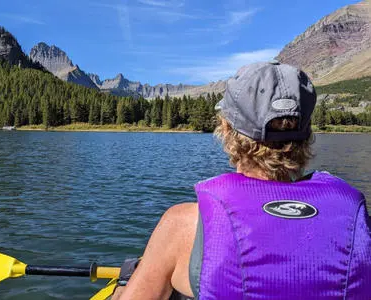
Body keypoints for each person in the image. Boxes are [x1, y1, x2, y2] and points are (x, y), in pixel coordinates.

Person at [112, 61, 371, 300]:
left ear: (226, 130)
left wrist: (123, 288)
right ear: (306, 134)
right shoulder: (357, 221)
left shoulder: (184, 226)